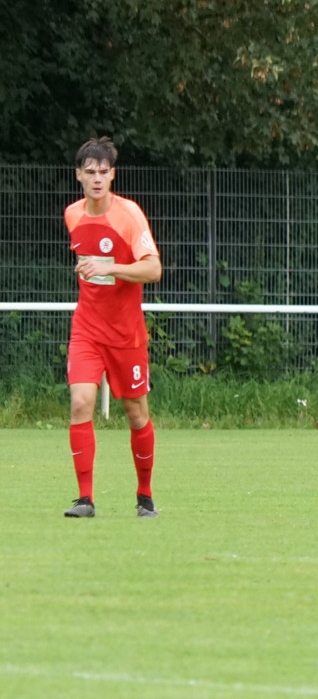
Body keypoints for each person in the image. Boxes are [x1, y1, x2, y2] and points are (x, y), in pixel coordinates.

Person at [63, 137, 162, 518]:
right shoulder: (73, 215)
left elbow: (153, 269)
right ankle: (85, 499)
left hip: (126, 334)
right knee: (80, 403)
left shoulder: (129, 215)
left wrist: (111, 267)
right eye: (90, 172)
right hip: (87, 328)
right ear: (79, 177)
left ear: (112, 175)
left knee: (136, 413)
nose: (97, 179)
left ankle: (145, 496)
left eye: (103, 172)